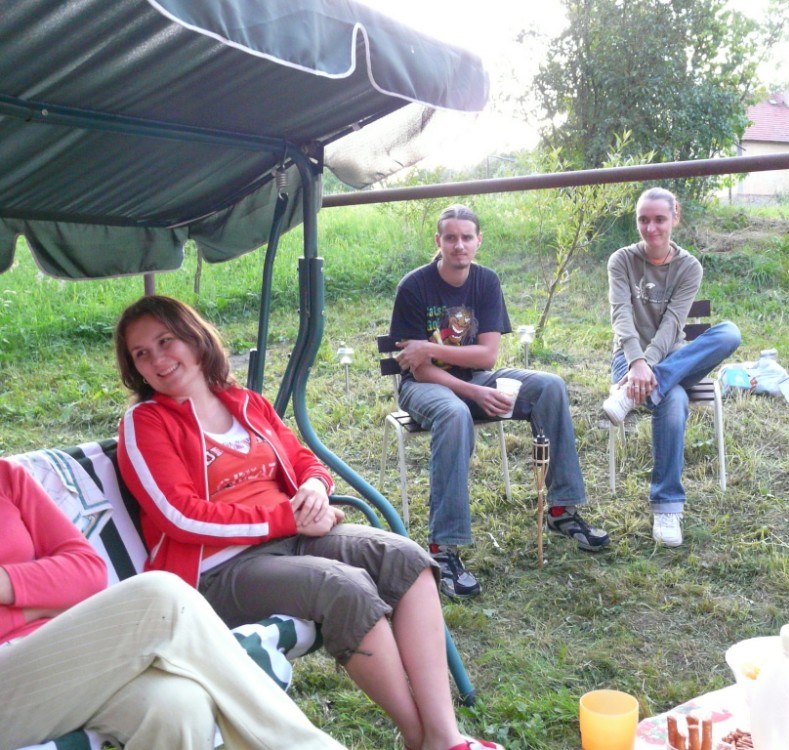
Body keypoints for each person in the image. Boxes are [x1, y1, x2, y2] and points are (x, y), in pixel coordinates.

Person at [114, 295, 502, 750]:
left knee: (407, 559)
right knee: (344, 587)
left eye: (166, 341)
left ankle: (443, 733)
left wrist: (315, 489)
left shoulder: (246, 404)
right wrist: (287, 518)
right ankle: (424, 741)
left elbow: (302, 461)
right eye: (142, 353)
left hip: (292, 537)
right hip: (217, 571)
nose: (158, 359)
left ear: (195, 339)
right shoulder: (146, 423)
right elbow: (179, 515)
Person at [0, 457, 346, 750]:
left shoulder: (7, 477)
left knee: (178, 706)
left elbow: (88, 572)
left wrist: (10, 590)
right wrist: (44, 600)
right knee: (158, 597)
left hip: (64, 654)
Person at [389, 204, 610, 599]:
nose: (459, 245)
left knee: (549, 386)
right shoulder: (414, 287)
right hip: (424, 387)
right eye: (451, 238)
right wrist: (471, 390)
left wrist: (433, 349)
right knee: (454, 413)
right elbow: (419, 369)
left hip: (477, 378)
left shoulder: (486, 281)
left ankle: (562, 511)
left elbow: (487, 356)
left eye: (466, 237)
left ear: (478, 241)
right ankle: (443, 550)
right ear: (438, 241)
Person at [602, 187, 741, 547]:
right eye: (643, 220)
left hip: (673, 360)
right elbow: (621, 316)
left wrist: (650, 369)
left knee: (729, 333)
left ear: (675, 217)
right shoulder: (621, 260)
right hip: (627, 360)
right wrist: (636, 363)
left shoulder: (689, 267)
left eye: (659, 219)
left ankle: (637, 391)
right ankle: (667, 507)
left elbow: (673, 324)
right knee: (674, 400)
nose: (651, 228)